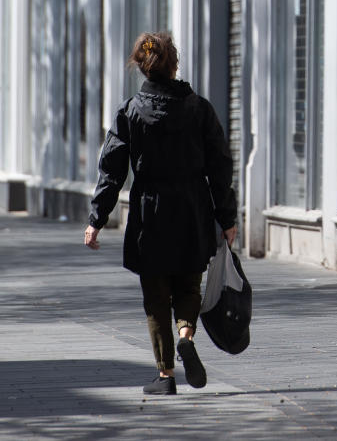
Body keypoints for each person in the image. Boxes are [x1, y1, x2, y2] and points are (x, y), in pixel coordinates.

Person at [84, 32, 238, 396]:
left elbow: (112, 171)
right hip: (192, 211)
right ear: (175, 65)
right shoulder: (199, 109)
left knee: (156, 297)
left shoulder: (131, 111)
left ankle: (166, 375)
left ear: (142, 67)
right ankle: (187, 333)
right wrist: (227, 218)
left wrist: (96, 219)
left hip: (148, 215)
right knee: (188, 284)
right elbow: (220, 166)